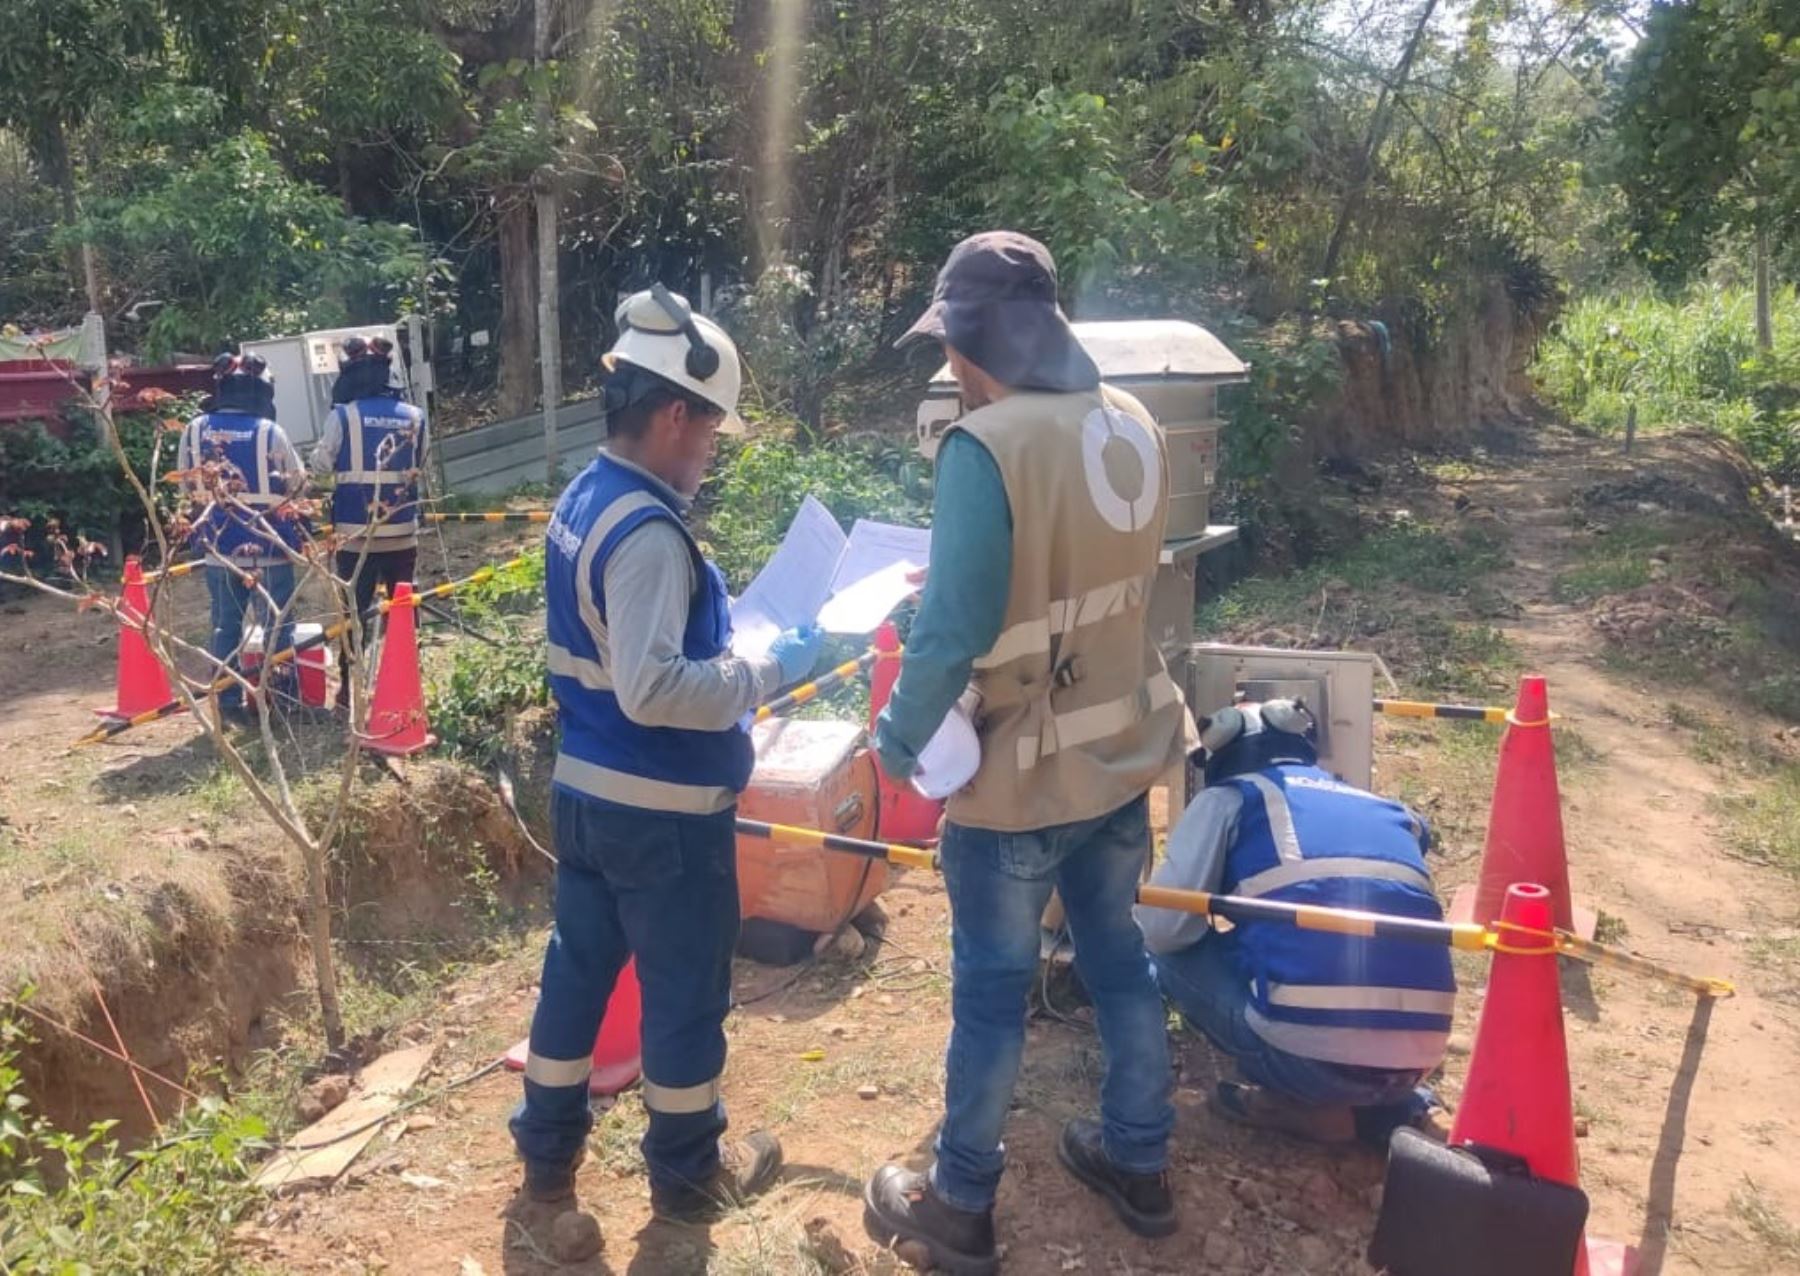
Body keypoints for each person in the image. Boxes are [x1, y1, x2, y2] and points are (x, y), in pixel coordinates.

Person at [863, 231, 1189, 1274]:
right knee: (1117, 956)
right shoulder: (1134, 421)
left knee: (992, 989)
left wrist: (898, 739)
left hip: (1018, 779)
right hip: (1121, 755)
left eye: (951, 342)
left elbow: (951, 629)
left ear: (970, 338)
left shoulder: (987, 446)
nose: (950, 364)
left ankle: (959, 1197)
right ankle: (1139, 1158)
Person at [509, 286, 825, 1220]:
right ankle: (689, 1184)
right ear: (675, 413)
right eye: (711, 432)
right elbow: (652, 687)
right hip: (664, 819)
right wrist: (767, 670)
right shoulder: (649, 532)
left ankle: (547, 1164)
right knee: (684, 1002)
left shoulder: (586, 493)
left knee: (576, 979)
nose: (711, 451)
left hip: (589, 799)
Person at [1136, 699, 1455, 1146]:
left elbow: (1162, 928)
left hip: (1303, 1060)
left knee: (1160, 951)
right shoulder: (1389, 809)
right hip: (1419, 1056)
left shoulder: (1230, 799)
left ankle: (1301, 1104)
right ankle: (1406, 1107)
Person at [178, 352, 306, 727]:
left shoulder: (195, 428)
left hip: (220, 549)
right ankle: (284, 701)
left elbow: (186, 482)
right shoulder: (270, 431)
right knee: (278, 626)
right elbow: (297, 482)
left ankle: (228, 704)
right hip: (271, 548)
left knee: (225, 625)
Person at [309, 335, 428, 708]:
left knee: (352, 617)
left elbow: (321, 466)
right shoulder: (415, 416)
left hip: (354, 536)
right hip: (402, 534)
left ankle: (348, 691)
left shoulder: (342, 416)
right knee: (403, 610)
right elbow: (419, 464)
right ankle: (408, 686)